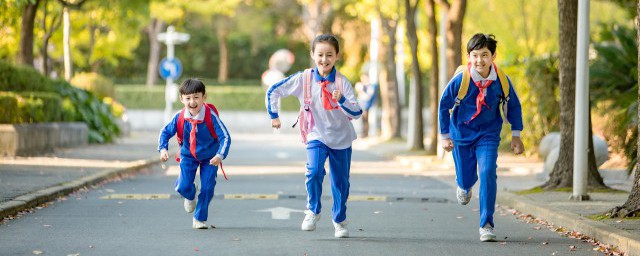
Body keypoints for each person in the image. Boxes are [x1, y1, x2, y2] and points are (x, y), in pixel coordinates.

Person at [265, 34, 362, 238]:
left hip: (341, 138)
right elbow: (274, 90)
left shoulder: (342, 82)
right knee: (314, 171)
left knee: (340, 182)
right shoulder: (304, 78)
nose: (324, 60)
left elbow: (357, 112)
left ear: (337, 56)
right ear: (312, 55)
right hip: (316, 134)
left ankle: (339, 220)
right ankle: (313, 210)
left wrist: (342, 100)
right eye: (320, 55)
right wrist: (274, 115)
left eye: (329, 55)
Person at [438, 33, 524, 242]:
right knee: (467, 178)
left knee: (487, 172)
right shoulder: (462, 79)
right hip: (462, 134)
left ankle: (486, 224)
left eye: (484, 55)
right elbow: (443, 105)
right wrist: (444, 136)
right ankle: (464, 185)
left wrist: (516, 135)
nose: (479, 60)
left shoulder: (501, 80)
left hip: (488, 134)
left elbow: (513, 105)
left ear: (493, 56)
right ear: (469, 56)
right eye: (475, 55)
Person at [158, 78, 231, 229]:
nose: (192, 102)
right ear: (181, 99)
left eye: (196, 97)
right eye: (188, 98)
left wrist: (219, 155)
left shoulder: (211, 116)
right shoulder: (180, 117)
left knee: (208, 187)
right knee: (183, 187)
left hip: (210, 158)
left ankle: (199, 218)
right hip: (188, 156)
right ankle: (190, 194)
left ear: (204, 97)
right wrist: (163, 149)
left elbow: (225, 137)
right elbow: (165, 132)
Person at [354, 73, 378, 138]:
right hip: (361, 105)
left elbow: (368, 97)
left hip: (367, 105)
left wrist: (361, 91)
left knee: (365, 119)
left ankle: (366, 133)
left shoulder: (370, 87)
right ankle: (364, 132)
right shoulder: (361, 85)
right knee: (362, 119)